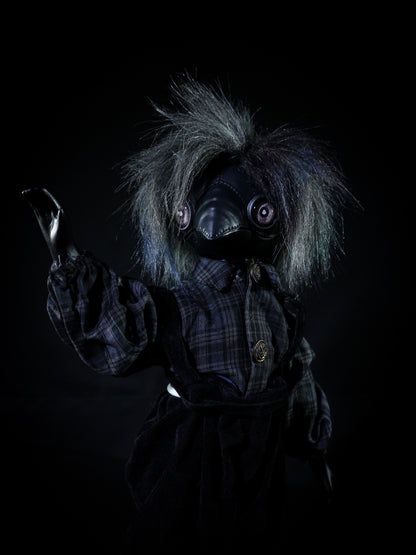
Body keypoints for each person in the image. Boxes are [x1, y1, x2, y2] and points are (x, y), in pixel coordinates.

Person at [23, 76, 353, 553]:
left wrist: (313, 444)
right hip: (193, 452)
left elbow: (296, 377)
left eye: (257, 208)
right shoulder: (177, 304)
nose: (217, 213)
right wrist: (69, 260)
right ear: (181, 214)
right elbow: (121, 320)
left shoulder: (279, 305)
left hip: (259, 455)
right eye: (197, 203)